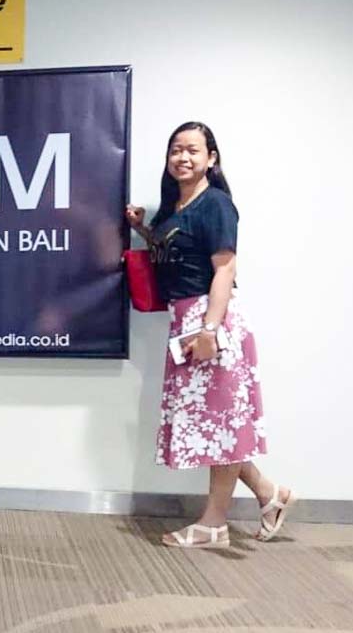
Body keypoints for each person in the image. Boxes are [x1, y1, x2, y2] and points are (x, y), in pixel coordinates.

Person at [126, 121, 293, 549]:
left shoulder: (216, 203)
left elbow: (224, 268)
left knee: (220, 424)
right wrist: (145, 229)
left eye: (193, 150)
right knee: (215, 422)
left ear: (211, 159)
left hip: (210, 319)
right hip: (185, 320)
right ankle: (268, 494)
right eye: (176, 150)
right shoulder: (175, 208)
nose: (183, 157)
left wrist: (209, 330)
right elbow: (176, 252)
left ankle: (214, 523)